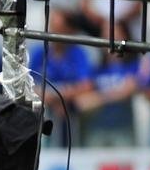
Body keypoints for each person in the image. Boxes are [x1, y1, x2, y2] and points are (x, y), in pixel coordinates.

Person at [28, 9, 92, 146]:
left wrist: (59, 98)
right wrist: (52, 98)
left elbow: (86, 86)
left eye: (59, 30)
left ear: (69, 31)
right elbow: (28, 85)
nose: (54, 34)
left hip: (70, 116)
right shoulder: (39, 52)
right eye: (52, 28)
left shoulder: (78, 54)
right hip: (43, 114)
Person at [76, 24, 138, 148]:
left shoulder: (132, 65)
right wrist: (114, 95)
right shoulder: (96, 67)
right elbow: (82, 101)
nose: (110, 39)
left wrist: (99, 99)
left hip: (123, 129)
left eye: (115, 35)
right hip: (97, 129)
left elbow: (130, 89)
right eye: (106, 35)